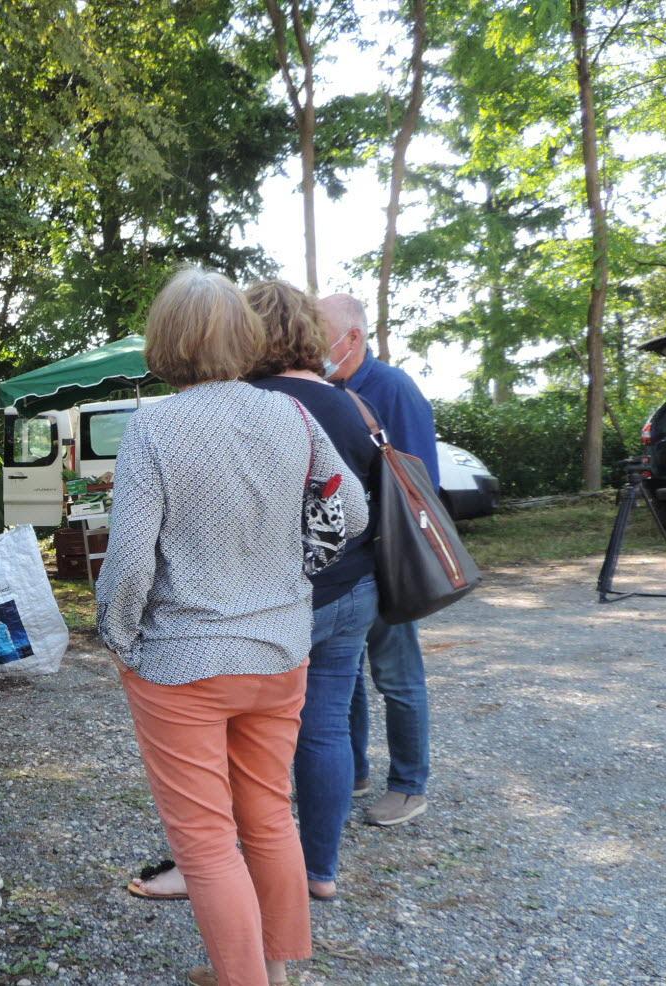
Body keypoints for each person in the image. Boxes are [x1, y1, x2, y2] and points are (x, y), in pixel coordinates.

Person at [96, 266, 366, 986]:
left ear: (166, 338)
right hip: (280, 651)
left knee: (208, 844)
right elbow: (355, 509)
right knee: (271, 818)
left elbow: (126, 560)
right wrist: (299, 565)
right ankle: (277, 974)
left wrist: (120, 639)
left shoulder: (154, 425)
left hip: (184, 663)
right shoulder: (296, 415)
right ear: (242, 337)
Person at [247, 281, 382, 900]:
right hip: (354, 589)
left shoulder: (252, 407)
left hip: (280, 600)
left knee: (250, 736)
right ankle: (317, 871)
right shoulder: (354, 405)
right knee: (325, 730)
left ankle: (245, 861)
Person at [317, 293, 438, 828]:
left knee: (397, 674)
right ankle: (356, 769)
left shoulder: (391, 387)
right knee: (347, 676)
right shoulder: (326, 387)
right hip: (345, 565)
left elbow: (419, 482)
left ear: (353, 337)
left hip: (388, 559)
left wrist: (397, 555)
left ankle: (410, 786)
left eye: (320, 337)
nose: (312, 348)